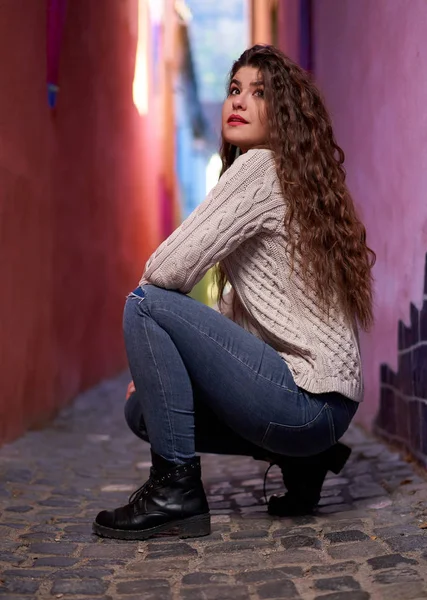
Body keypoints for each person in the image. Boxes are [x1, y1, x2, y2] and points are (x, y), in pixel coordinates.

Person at [93, 45, 375, 541]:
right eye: (233, 90)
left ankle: (175, 491)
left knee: (144, 305)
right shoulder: (295, 179)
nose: (238, 101)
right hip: (328, 414)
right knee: (145, 410)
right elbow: (242, 322)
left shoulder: (258, 168)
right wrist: (161, 371)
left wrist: (157, 340)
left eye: (259, 93)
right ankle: (304, 459)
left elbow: (163, 270)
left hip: (304, 399)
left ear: (283, 111)